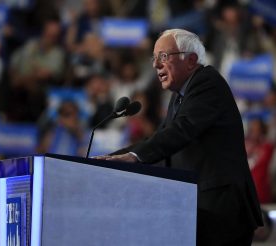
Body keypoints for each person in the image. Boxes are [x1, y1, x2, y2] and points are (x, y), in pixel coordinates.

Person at [96, 29, 263, 245]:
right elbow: (162, 140)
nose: (156, 65)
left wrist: (133, 157)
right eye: (154, 58)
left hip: (222, 210)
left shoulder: (207, 82)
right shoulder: (179, 97)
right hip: (202, 210)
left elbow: (180, 131)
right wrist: (107, 161)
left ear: (191, 60)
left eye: (163, 57)